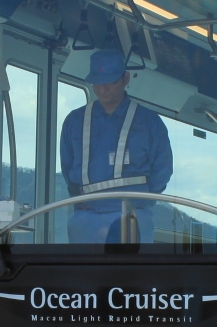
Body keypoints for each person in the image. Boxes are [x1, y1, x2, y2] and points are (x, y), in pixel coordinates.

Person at [59, 49, 173, 244]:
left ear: (125, 78)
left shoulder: (149, 122)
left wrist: (140, 200)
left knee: (130, 265)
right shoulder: (74, 121)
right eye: (97, 83)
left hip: (132, 215)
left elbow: (162, 170)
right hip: (85, 217)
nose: (102, 90)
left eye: (109, 82)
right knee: (81, 265)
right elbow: (67, 167)